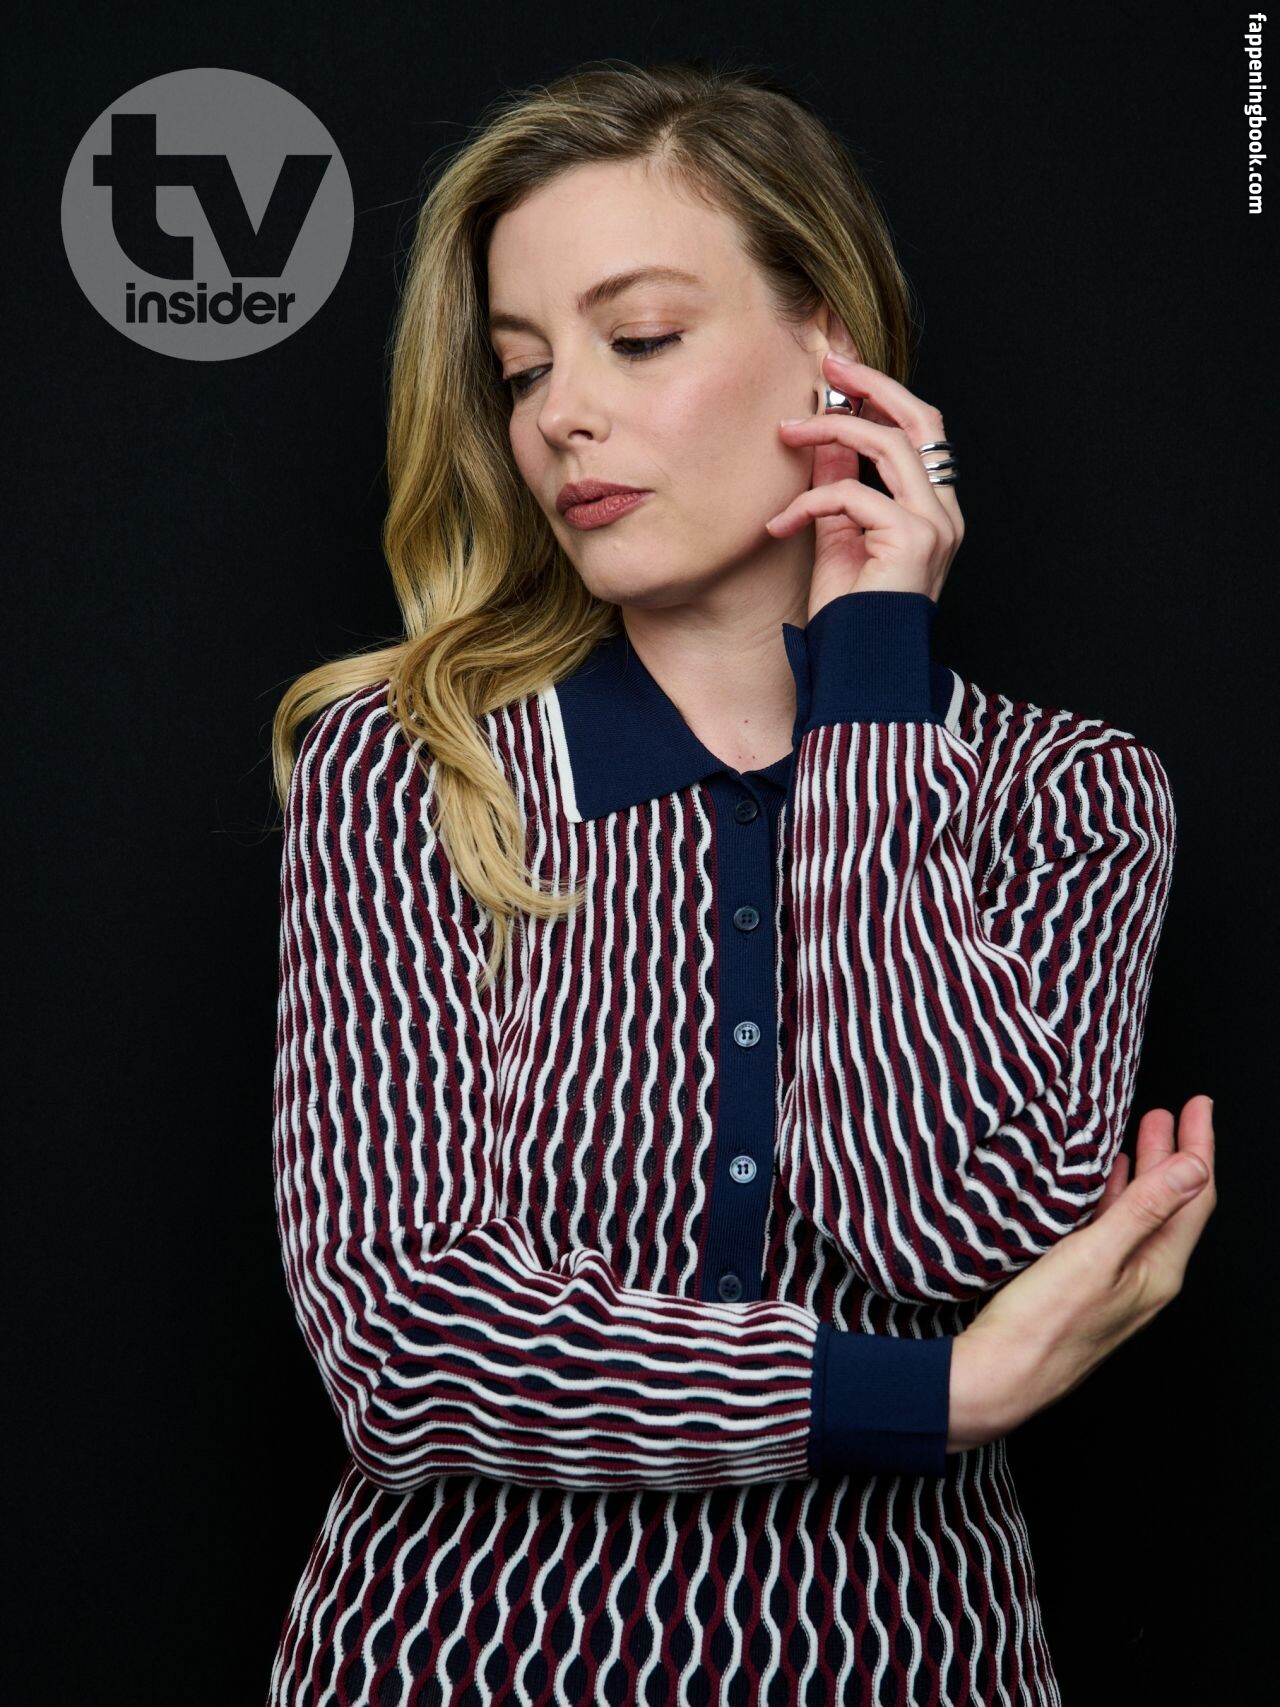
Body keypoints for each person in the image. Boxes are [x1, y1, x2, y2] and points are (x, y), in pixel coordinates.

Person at [265, 58, 1216, 1706]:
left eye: (638, 337)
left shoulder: (1071, 794)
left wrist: (871, 677)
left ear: (832, 350)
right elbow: (406, 1347)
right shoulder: (414, 768)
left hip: (915, 1668)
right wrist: (942, 1397)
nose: (560, 414)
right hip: (456, 1665)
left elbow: (944, 1225)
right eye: (522, 366)